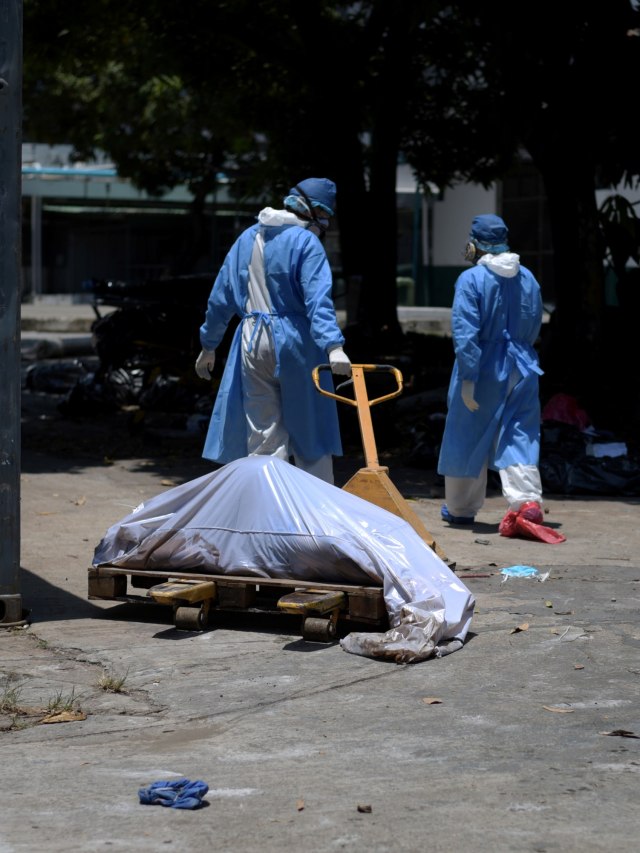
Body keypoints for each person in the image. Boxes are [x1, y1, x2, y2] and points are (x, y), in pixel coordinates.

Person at [194, 177, 351, 485]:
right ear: (316, 212)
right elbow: (318, 300)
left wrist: (209, 344)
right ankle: (316, 514)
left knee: (263, 432)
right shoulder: (307, 242)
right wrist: (334, 346)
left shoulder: (246, 238)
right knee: (311, 429)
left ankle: (267, 514)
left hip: (250, 339)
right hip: (296, 340)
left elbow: (220, 298)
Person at [437, 214, 545, 525]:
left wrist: (469, 377)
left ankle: (460, 509)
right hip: (524, 365)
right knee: (520, 432)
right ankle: (526, 501)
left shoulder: (471, 280)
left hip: (484, 366)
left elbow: (465, 332)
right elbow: (535, 321)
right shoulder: (528, 277)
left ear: (476, 244)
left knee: (467, 434)